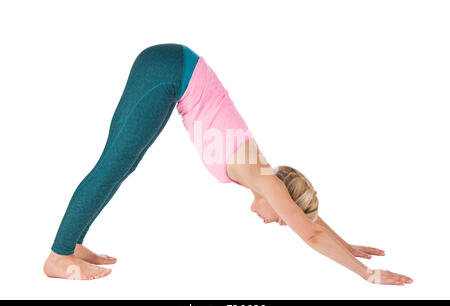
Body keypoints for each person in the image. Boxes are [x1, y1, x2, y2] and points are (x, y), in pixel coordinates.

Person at [44, 43, 413, 285]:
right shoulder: (262, 175)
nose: (276, 221)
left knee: (121, 165)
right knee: (113, 163)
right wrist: (367, 274)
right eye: (282, 218)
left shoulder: (260, 174)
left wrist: (347, 245)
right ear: (282, 194)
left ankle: (73, 244)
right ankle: (59, 256)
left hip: (171, 72)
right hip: (169, 70)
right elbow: (309, 231)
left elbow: (307, 220)